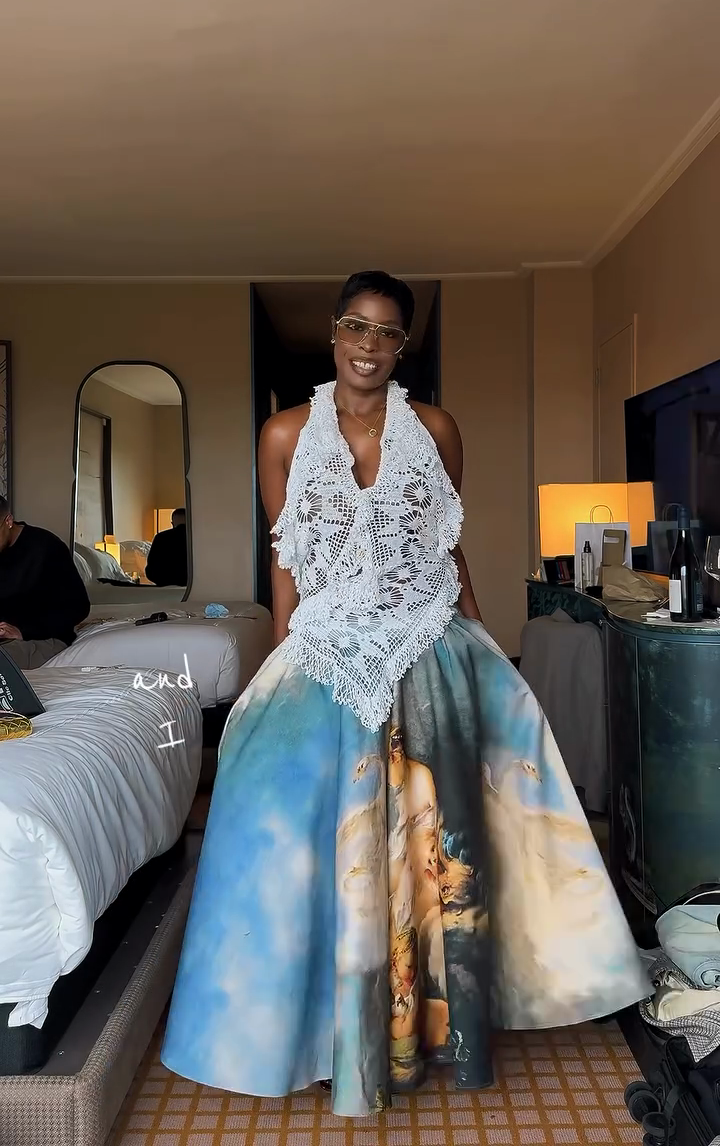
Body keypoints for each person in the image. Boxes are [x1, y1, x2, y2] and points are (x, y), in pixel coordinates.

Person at [161, 272, 649, 1116]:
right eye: (357, 327)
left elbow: (448, 543)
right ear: (334, 332)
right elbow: (286, 554)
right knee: (316, 836)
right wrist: (281, 655)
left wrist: (481, 636)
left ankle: (434, 1024)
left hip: (428, 640)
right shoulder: (283, 434)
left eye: (387, 333)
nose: (369, 346)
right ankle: (325, 1026)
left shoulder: (437, 429)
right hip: (327, 649)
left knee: (439, 843)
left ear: (402, 347)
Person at [0, 496, 91, 669]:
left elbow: (78, 607)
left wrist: (23, 631)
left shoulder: (47, 547)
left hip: (40, 639)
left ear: (8, 521)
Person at [145, 507, 187, 587]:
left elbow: (151, 571)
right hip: (192, 586)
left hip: (165, 586)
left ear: (172, 523)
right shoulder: (198, 538)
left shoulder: (160, 537)